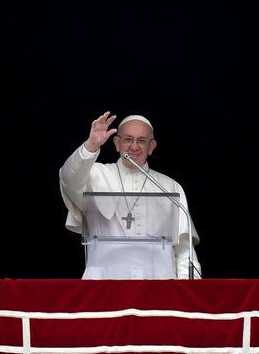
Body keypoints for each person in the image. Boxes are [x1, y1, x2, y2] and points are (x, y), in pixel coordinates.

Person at [59, 111, 201, 279]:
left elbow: (185, 251)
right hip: (104, 284)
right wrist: (91, 145)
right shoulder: (94, 175)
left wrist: (188, 291)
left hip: (159, 287)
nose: (134, 147)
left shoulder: (170, 187)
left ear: (152, 147)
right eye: (128, 139)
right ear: (117, 143)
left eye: (141, 141)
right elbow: (68, 179)